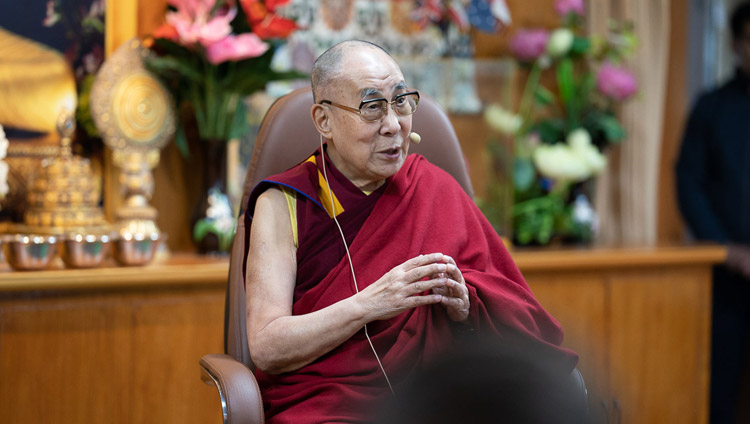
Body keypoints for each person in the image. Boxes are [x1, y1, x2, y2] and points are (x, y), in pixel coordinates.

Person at [243, 40, 577, 423]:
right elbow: (267, 346)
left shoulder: (434, 188)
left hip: (435, 399)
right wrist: (371, 303)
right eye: (372, 107)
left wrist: (465, 308)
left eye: (401, 101)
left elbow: (519, 318)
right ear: (324, 121)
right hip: (327, 405)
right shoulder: (284, 203)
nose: (393, 125)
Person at [676, 3, 750, 423]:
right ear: (738, 44)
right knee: (718, 388)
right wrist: (727, 250)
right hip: (726, 275)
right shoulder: (712, 108)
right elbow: (689, 183)